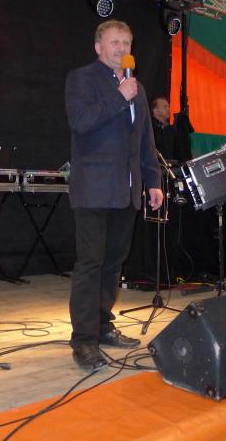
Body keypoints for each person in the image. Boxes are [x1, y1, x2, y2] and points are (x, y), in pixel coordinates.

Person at [64, 20, 164, 371]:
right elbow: (81, 122)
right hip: (94, 189)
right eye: (115, 42)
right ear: (98, 47)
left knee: (112, 264)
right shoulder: (82, 79)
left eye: (126, 43)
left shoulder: (138, 87)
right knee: (90, 265)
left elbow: (145, 141)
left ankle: (104, 326)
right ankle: (84, 340)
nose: (122, 48)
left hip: (127, 190)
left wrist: (153, 181)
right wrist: (119, 97)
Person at [150, 96, 176, 161]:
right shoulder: (150, 128)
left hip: (170, 164)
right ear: (155, 111)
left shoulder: (171, 129)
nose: (168, 109)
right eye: (165, 107)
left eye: (168, 106)